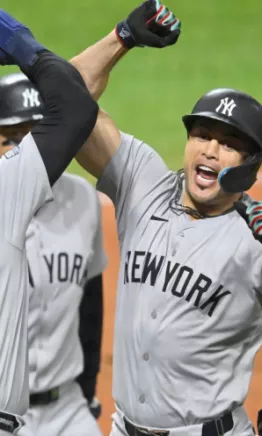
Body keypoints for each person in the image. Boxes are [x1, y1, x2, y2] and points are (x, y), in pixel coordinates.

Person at [69, 0, 262, 435]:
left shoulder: (255, 239)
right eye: (202, 134)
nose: (210, 150)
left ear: (252, 164)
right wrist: (122, 37)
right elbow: (66, 98)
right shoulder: (143, 182)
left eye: (229, 143)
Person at [0, 8, 98, 436]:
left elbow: (90, 304)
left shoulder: (82, 199)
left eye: (33, 138)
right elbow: (75, 107)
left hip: (67, 409)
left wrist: (90, 391)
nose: (23, 152)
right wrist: (19, 41)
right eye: (9, 139)